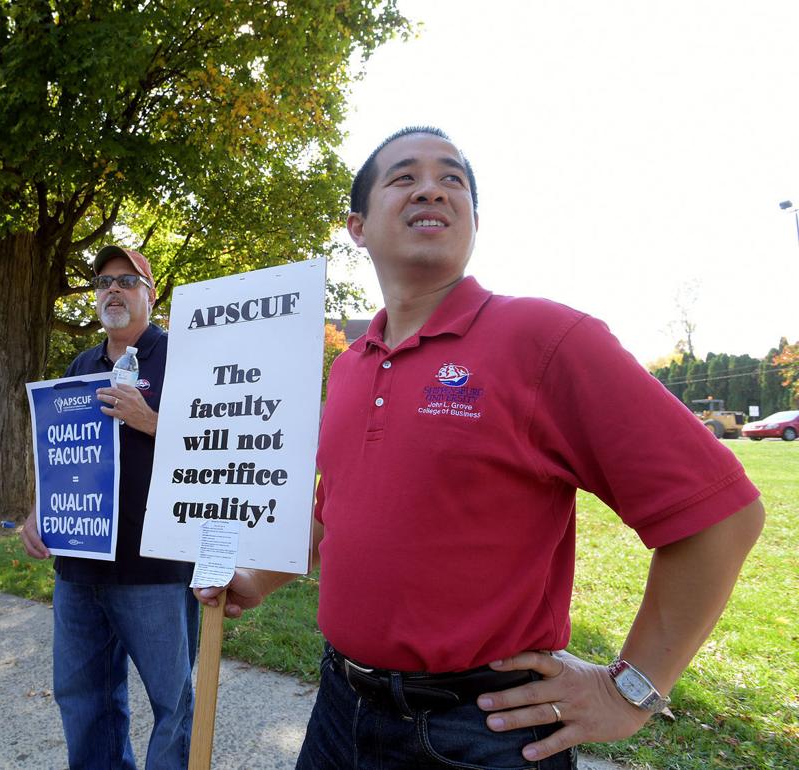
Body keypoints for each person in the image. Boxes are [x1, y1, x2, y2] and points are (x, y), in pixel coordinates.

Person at [197, 127, 765, 769]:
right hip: (340, 711)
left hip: (482, 733)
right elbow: (338, 512)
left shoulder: (547, 339)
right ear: (357, 226)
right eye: (404, 177)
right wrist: (257, 579)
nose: (432, 188)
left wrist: (630, 688)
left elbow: (720, 516)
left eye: (453, 179)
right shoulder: (350, 366)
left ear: (472, 218)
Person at [21, 245, 199, 770]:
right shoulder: (82, 365)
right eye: (102, 283)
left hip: (155, 569)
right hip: (78, 570)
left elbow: (218, 448)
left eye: (126, 280)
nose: (112, 290)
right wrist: (41, 512)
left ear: (150, 295)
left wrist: (153, 421)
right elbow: (61, 457)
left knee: (174, 705)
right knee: (83, 699)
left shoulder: (183, 357)